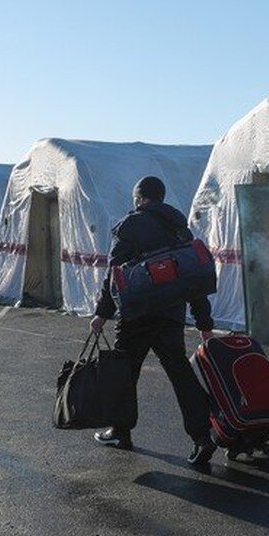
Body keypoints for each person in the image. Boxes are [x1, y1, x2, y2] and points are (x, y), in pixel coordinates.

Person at [90, 175, 217, 466]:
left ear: (140, 198)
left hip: (136, 315)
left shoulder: (130, 225)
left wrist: (101, 313)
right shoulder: (179, 227)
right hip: (171, 314)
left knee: (125, 373)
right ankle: (202, 437)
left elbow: (114, 275)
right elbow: (193, 276)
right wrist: (204, 324)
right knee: (181, 374)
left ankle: (120, 431)